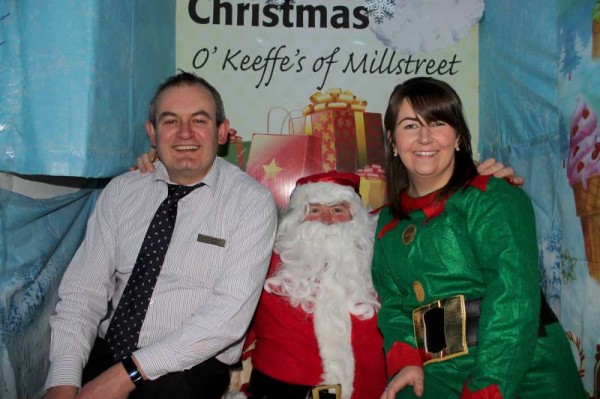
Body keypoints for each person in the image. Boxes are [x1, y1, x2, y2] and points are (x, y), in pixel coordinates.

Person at [43, 71, 278, 399]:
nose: (185, 133)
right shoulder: (122, 191)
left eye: (199, 120)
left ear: (222, 132)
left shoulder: (250, 203)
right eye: (170, 121)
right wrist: (63, 381)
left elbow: (226, 318)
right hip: (107, 349)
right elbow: (83, 292)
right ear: (152, 133)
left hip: (190, 365)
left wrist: (125, 375)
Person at [372, 77, 585, 399]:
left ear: (458, 136)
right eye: (410, 125)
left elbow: (511, 295)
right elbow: (394, 303)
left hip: (520, 371)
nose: (425, 137)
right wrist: (405, 362)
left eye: (438, 122)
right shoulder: (389, 219)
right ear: (392, 139)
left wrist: (489, 385)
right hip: (433, 373)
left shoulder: (492, 196)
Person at [239, 171, 386, 399]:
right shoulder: (267, 263)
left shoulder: (378, 263)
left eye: (337, 210)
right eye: (315, 210)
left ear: (356, 217)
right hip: (280, 392)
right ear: (296, 218)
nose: (326, 220)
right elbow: (234, 323)